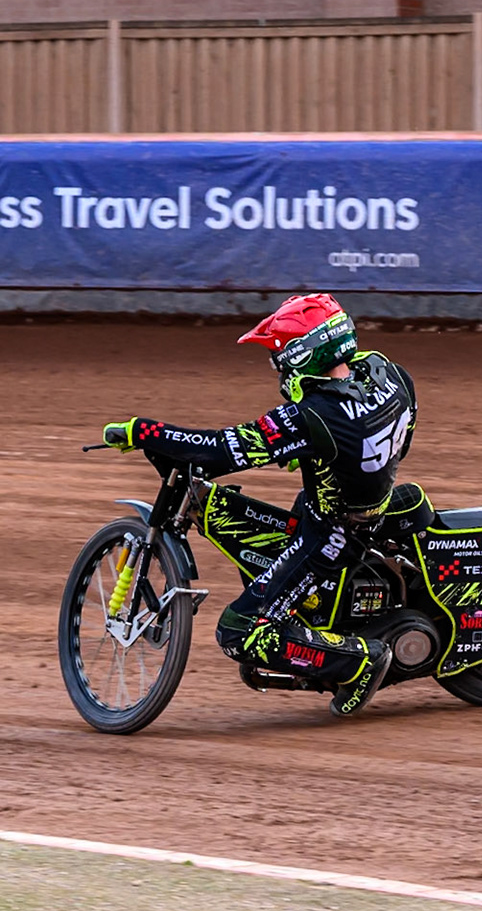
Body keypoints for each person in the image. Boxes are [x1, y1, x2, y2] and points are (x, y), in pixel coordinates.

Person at [103, 293, 423, 715]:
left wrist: (144, 431)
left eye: (279, 358)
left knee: (240, 631)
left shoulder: (313, 416)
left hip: (333, 535)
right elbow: (403, 435)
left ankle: (358, 660)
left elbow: (220, 450)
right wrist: (333, 456)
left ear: (303, 355)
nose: (277, 368)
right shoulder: (389, 373)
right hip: (365, 503)